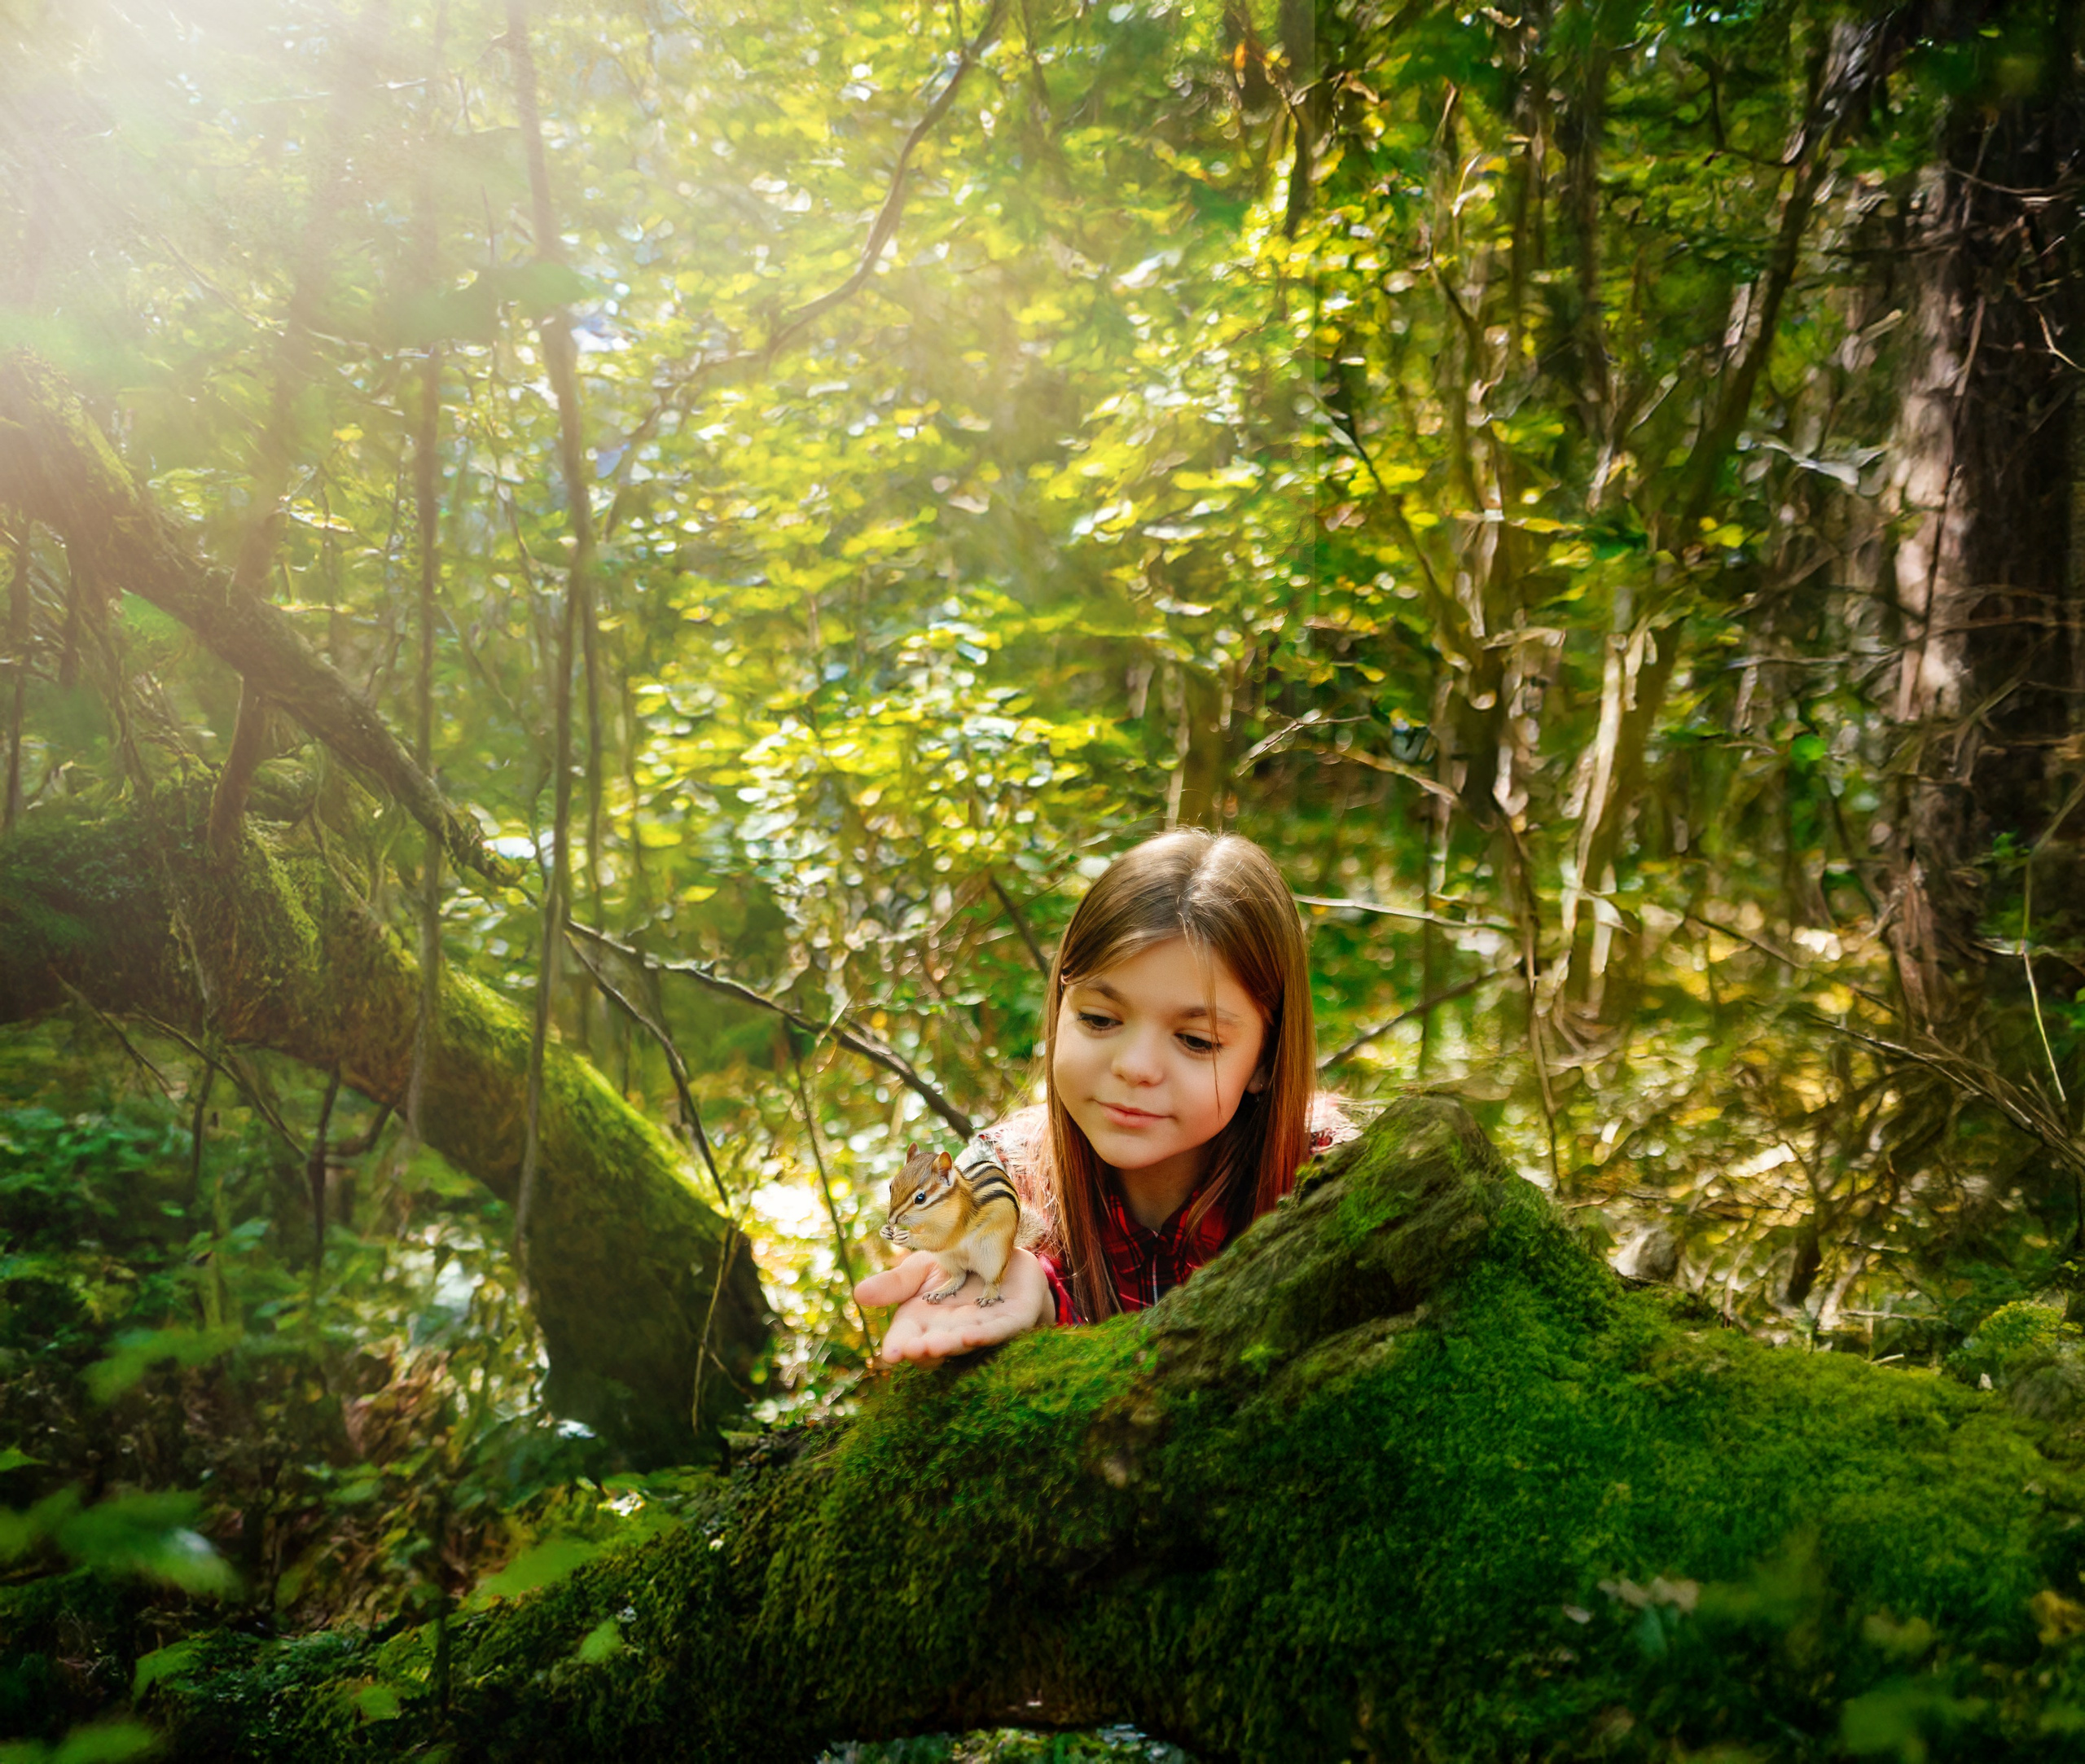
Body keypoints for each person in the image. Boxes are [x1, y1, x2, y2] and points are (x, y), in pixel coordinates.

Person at [855, 827, 1350, 1362]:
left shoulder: (1333, 1179)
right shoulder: (1000, 1179)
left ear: (1265, 1059)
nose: (1134, 1066)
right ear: (1060, 1009)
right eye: (1098, 1018)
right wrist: (1039, 1296)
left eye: (1196, 1040)